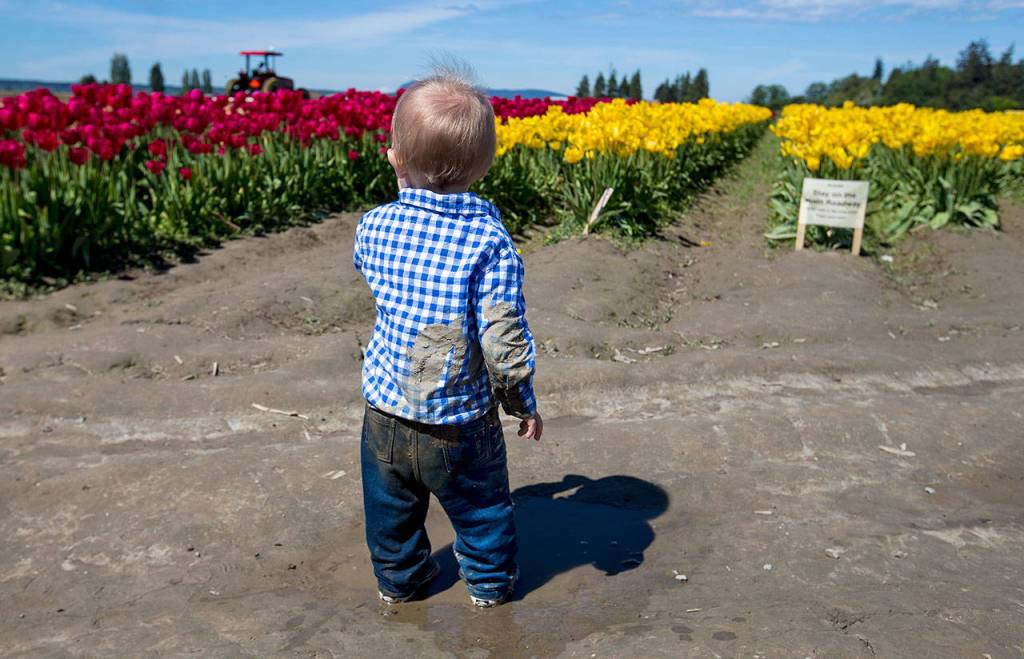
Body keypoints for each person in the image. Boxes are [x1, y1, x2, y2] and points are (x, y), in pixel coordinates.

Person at [353, 66, 542, 608]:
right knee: (482, 511)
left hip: (384, 413)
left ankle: (400, 583)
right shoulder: (489, 240)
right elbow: (503, 338)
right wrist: (519, 401)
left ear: (395, 157)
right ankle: (488, 588)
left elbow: (368, 271)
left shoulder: (374, 225)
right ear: (483, 166)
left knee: (390, 514)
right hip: (459, 423)